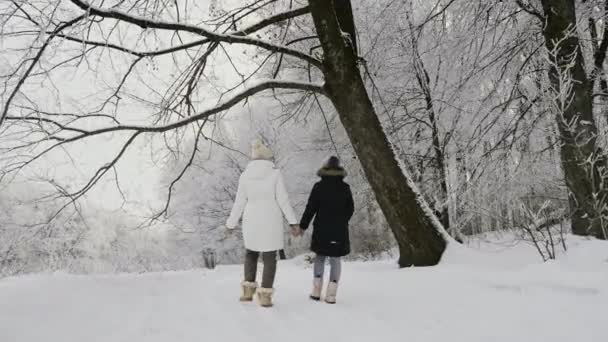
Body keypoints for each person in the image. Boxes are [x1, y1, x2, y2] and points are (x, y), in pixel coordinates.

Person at [225, 140, 299, 308]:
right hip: (270, 218)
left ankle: (247, 292)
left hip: (251, 218)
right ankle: (265, 296)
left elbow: (239, 202)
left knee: (251, 253)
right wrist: (293, 222)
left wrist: (230, 224)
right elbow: (283, 200)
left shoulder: (245, 175)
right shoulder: (275, 173)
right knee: (269, 257)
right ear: (267, 157)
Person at [296, 156, 354, 304]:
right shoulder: (345, 188)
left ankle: (316, 292)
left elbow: (311, 208)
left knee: (320, 257)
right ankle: (331, 294)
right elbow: (350, 209)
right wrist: (341, 221)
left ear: (325, 169)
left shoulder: (318, 187)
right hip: (339, 230)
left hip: (321, 228)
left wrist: (303, 226)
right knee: (335, 259)